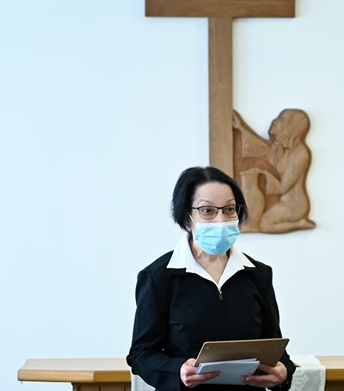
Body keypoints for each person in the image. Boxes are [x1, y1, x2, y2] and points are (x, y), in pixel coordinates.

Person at [127, 166, 296, 391]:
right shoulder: (158, 278)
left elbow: (276, 350)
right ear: (186, 216)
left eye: (229, 209)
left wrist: (284, 373)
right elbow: (141, 355)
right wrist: (177, 370)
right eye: (207, 210)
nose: (220, 219)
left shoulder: (258, 275)